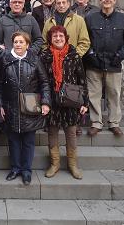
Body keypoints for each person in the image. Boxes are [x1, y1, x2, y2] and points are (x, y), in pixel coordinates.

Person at [0, 31, 51, 185]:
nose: (18, 45)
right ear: (12, 44)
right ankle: (15, 168)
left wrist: (46, 102)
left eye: (21, 42)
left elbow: (44, 83)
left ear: (27, 45)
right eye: (16, 42)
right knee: (13, 140)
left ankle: (27, 170)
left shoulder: (35, 60)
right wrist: (0, 104)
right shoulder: (5, 60)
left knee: (28, 141)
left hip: (31, 106)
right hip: (11, 106)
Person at [84, 0, 124, 137]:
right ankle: (96, 123)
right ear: (100, 0)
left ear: (115, 0)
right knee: (94, 95)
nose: (107, 0)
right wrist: (91, 55)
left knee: (114, 94)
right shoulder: (90, 18)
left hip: (114, 64)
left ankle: (114, 123)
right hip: (94, 64)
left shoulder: (123, 19)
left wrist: (120, 55)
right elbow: (85, 39)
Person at [40, 26, 88, 179]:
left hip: (71, 100)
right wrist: (43, 100)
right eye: (55, 36)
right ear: (50, 39)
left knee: (71, 133)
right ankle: (55, 164)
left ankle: (73, 165)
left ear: (66, 38)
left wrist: (84, 102)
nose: (58, 38)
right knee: (52, 132)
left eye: (61, 36)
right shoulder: (45, 55)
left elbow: (82, 80)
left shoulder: (74, 56)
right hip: (52, 100)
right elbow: (41, 80)